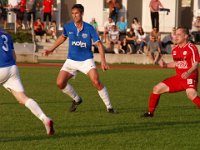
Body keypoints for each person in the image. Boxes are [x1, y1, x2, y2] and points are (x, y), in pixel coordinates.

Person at [43, 4, 116, 113]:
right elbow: (63, 37)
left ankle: (109, 107)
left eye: (76, 13)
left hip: (86, 60)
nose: (74, 15)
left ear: (82, 14)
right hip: (71, 60)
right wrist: (51, 49)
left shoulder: (89, 28)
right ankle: (77, 99)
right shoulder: (68, 27)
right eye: (72, 13)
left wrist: (103, 62)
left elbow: (99, 45)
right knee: (60, 83)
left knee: (96, 82)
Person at [0, 28, 54, 135]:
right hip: (12, 68)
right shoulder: (7, 35)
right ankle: (45, 119)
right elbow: (13, 55)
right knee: (23, 99)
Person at [142, 27, 200, 117]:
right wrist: (166, 65)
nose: (176, 37)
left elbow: (196, 64)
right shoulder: (175, 49)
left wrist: (188, 72)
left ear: (186, 36)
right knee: (157, 89)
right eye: (175, 34)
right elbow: (177, 63)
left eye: (179, 35)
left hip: (190, 76)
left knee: (191, 94)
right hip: (179, 77)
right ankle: (150, 113)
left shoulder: (191, 48)